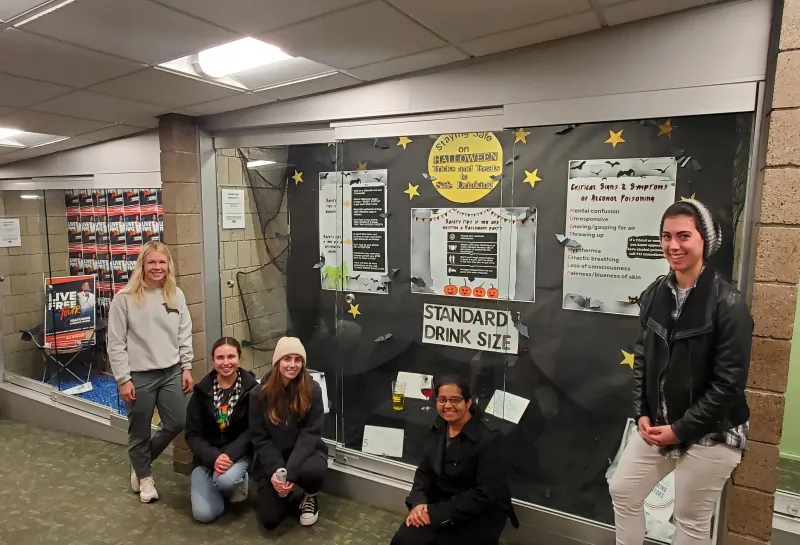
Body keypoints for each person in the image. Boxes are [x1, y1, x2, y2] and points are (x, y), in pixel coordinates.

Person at [609, 200, 753, 545]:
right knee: (623, 490)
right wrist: (642, 411)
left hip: (712, 429)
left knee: (690, 519)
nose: (673, 246)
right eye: (666, 236)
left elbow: (728, 384)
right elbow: (644, 355)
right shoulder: (656, 293)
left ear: (705, 241)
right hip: (662, 421)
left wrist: (681, 430)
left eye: (684, 236)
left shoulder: (728, 304)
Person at [107, 241, 194, 503]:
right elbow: (115, 343)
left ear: (168, 265)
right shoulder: (125, 299)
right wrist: (123, 379)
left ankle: (140, 461)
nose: (157, 267)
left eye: (162, 262)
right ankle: (145, 478)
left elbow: (184, 332)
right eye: (152, 262)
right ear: (142, 265)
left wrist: (186, 366)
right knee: (140, 429)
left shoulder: (175, 295)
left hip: (170, 371)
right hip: (140, 375)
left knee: (179, 421)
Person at [390, 377, 518, 545]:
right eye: (442, 400)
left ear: (468, 402)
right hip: (440, 501)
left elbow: (485, 494)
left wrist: (434, 514)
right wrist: (418, 504)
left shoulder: (490, 438)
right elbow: (424, 472)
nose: (448, 406)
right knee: (403, 541)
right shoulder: (438, 425)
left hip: (479, 512)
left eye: (455, 400)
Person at [249, 336, 327, 529]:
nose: (293, 365)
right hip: (273, 459)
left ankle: (309, 494)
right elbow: (260, 438)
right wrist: (277, 472)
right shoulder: (258, 394)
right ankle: (285, 492)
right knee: (270, 520)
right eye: (287, 359)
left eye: (298, 359)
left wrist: (289, 472)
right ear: (277, 362)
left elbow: (310, 434)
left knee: (314, 472)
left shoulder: (312, 390)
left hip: (304, 455)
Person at [185, 337, 258, 523]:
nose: (226, 362)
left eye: (231, 356)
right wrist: (213, 457)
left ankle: (236, 480)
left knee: (226, 479)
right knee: (203, 515)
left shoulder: (253, 391)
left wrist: (229, 456)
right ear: (213, 360)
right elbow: (192, 434)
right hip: (208, 459)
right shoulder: (202, 392)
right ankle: (215, 481)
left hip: (238, 454)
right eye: (220, 358)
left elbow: (254, 429)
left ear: (239, 358)